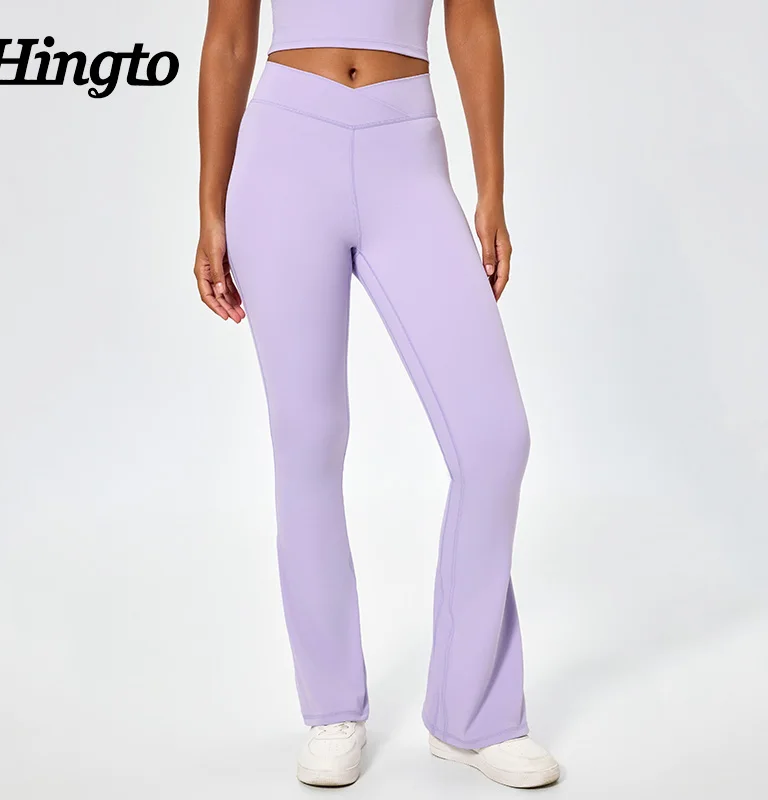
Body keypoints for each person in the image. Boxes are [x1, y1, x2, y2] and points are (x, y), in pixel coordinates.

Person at [194, 0, 559, 788]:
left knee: (495, 439)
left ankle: (473, 715)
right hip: (284, 154)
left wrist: (490, 189)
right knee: (308, 439)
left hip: (408, 155)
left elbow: (471, 21)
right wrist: (210, 207)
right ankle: (332, 708)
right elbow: (228, 39)